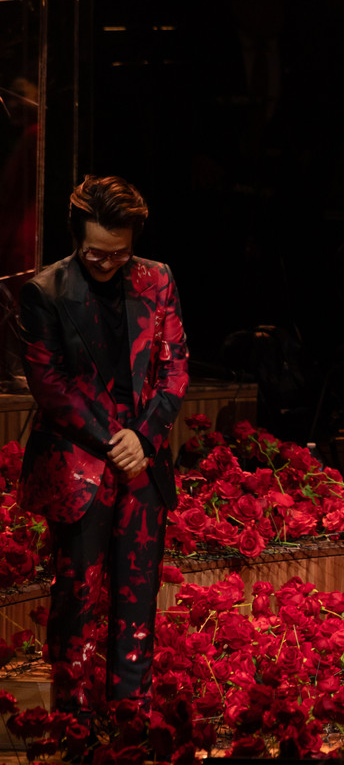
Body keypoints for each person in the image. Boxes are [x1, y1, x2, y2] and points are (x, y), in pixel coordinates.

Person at [16, 176, 188, 728]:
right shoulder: (46, 290)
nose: (106, 262)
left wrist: (146, 435)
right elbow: (48, 381)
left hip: (142, 458)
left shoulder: (157, 279)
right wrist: (116, 441)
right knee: (78, 592)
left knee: (138, 590)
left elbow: (175, 367)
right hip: (81, 463)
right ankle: (75, 715)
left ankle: (131, 714)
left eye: (118, 252)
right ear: (75, 236)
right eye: (95, 251)